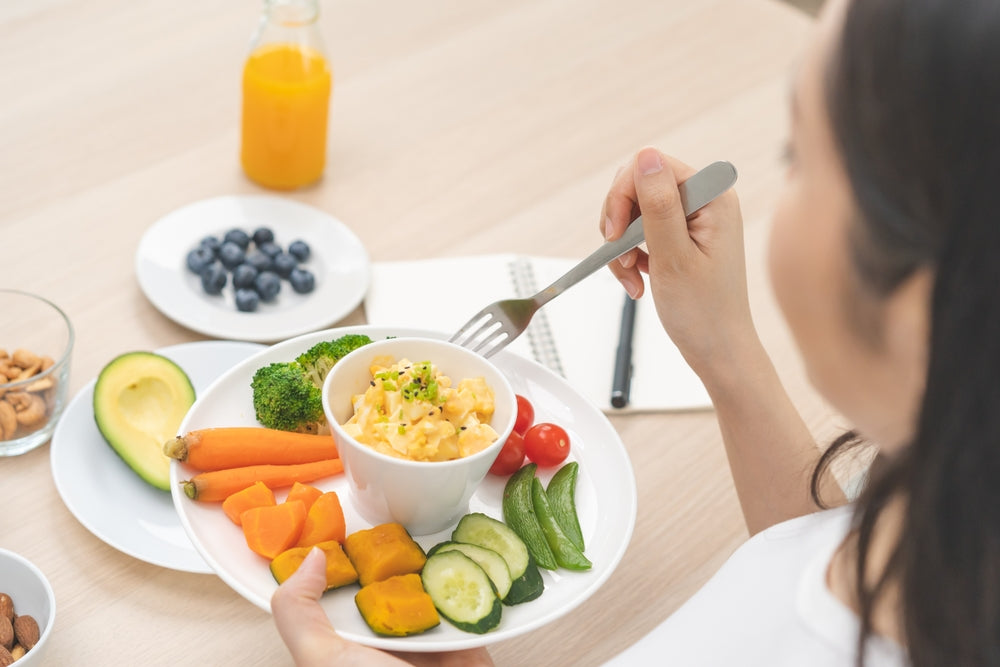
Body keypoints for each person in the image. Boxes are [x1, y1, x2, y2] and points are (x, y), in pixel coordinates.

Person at [272, 0, 1000, 663]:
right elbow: (816, 551)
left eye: (799, 157)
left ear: (924, 294)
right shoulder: (948, 491)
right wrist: (723, 346)